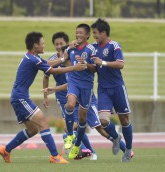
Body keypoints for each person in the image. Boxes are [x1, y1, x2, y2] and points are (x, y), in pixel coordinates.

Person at [0, 31, 86, 164]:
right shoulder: (33, 59)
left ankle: (6, 150)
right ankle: (55, 156)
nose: (44, 46)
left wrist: (63, 59)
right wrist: (74, 68)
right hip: (20, 98)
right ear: (35, 45)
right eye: (42, 43)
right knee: (43, 122)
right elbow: (53, 70)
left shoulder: (32, 58)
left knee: (32, 130)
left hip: (18, 97)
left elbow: (49, 64)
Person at [60, 23, 123, 160]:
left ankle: (79, 146)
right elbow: (63, 59)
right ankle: (71, 136)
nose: (78, 35)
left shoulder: (91, 49)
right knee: (69, 104)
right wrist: (67, 49)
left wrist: (85, 64)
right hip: (74, 83)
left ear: (87, 35)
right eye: (76, 33)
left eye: (81, 33)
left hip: (87, 87)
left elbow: (95, 68)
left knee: (88, 123)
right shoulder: (72, 49)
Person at [42, 31, 96, 160]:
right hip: (63, 96)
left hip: (78, 92)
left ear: (67, 43)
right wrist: (45, 95)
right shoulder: (53, 60)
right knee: (72, 126)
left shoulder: (74, 56)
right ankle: (85, 149)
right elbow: (46, 75)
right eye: (56, 44)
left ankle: (81, 146)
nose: (59, 45)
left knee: (79, 124)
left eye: (61, 43)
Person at [91, 18, 133, 162]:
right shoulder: (93, 47)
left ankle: (128, 150)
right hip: (103, 89)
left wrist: (102, 62)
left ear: (104, 33)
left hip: (117, 88)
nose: (94, 36)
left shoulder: (114, 46)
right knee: (103, 120)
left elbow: (120, 64)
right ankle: (116, 137)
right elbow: (90, 62)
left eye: (95, 33)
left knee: (124, 120)